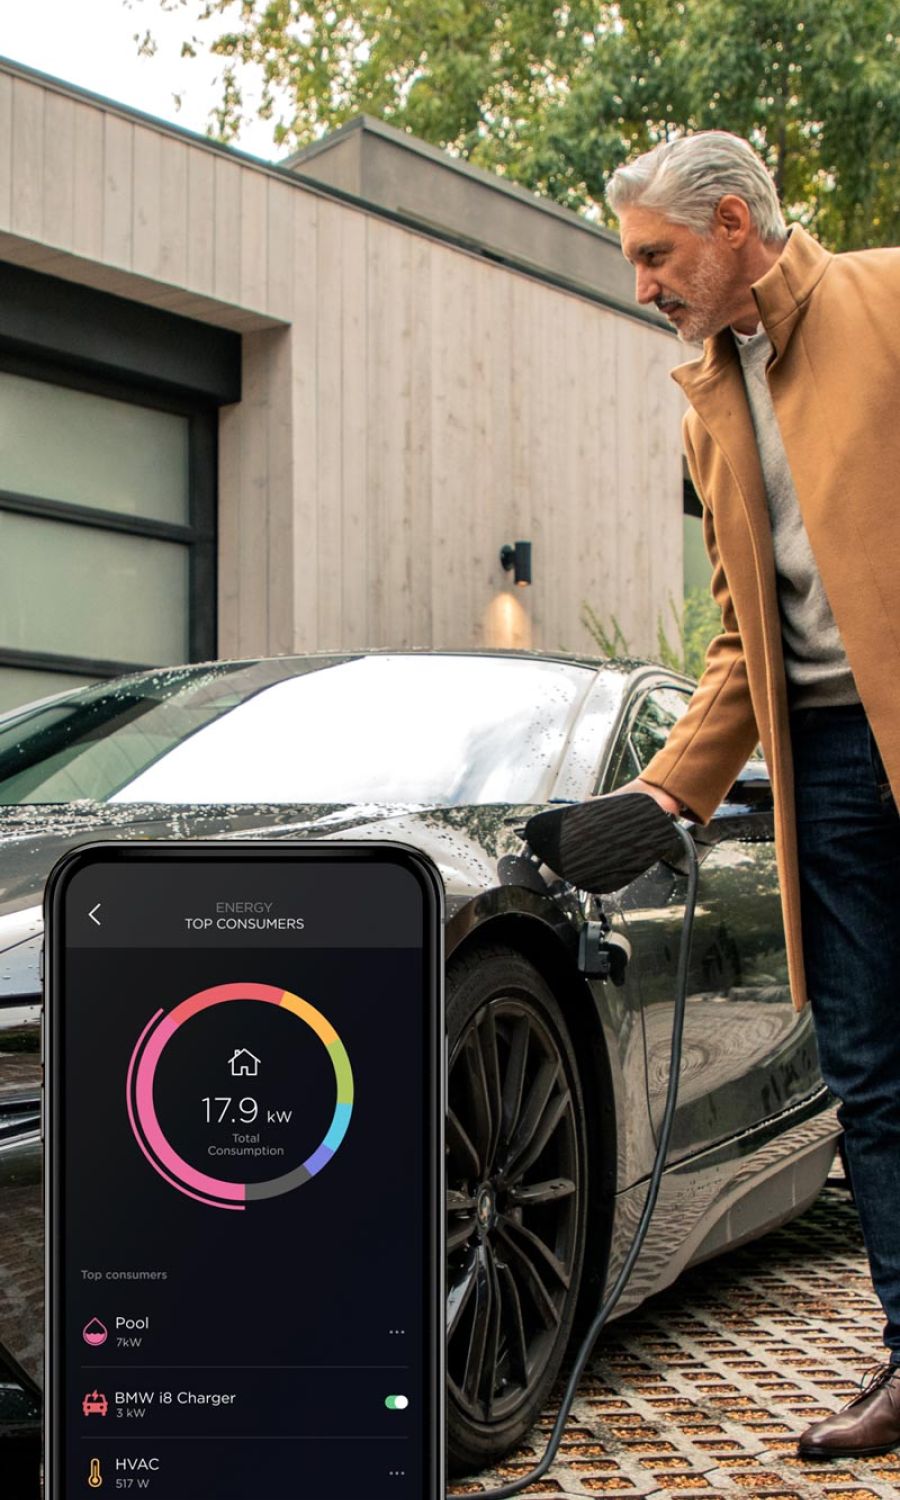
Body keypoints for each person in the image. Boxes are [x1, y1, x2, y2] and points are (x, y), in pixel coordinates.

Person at [604, 131, 900, 1461]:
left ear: (731, 224)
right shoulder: (707, 405)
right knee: (872, 1073)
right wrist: (665, 795)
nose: (643, 286)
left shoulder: (887, 300)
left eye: (656, 255)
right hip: (825, 764)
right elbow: (743, 638)